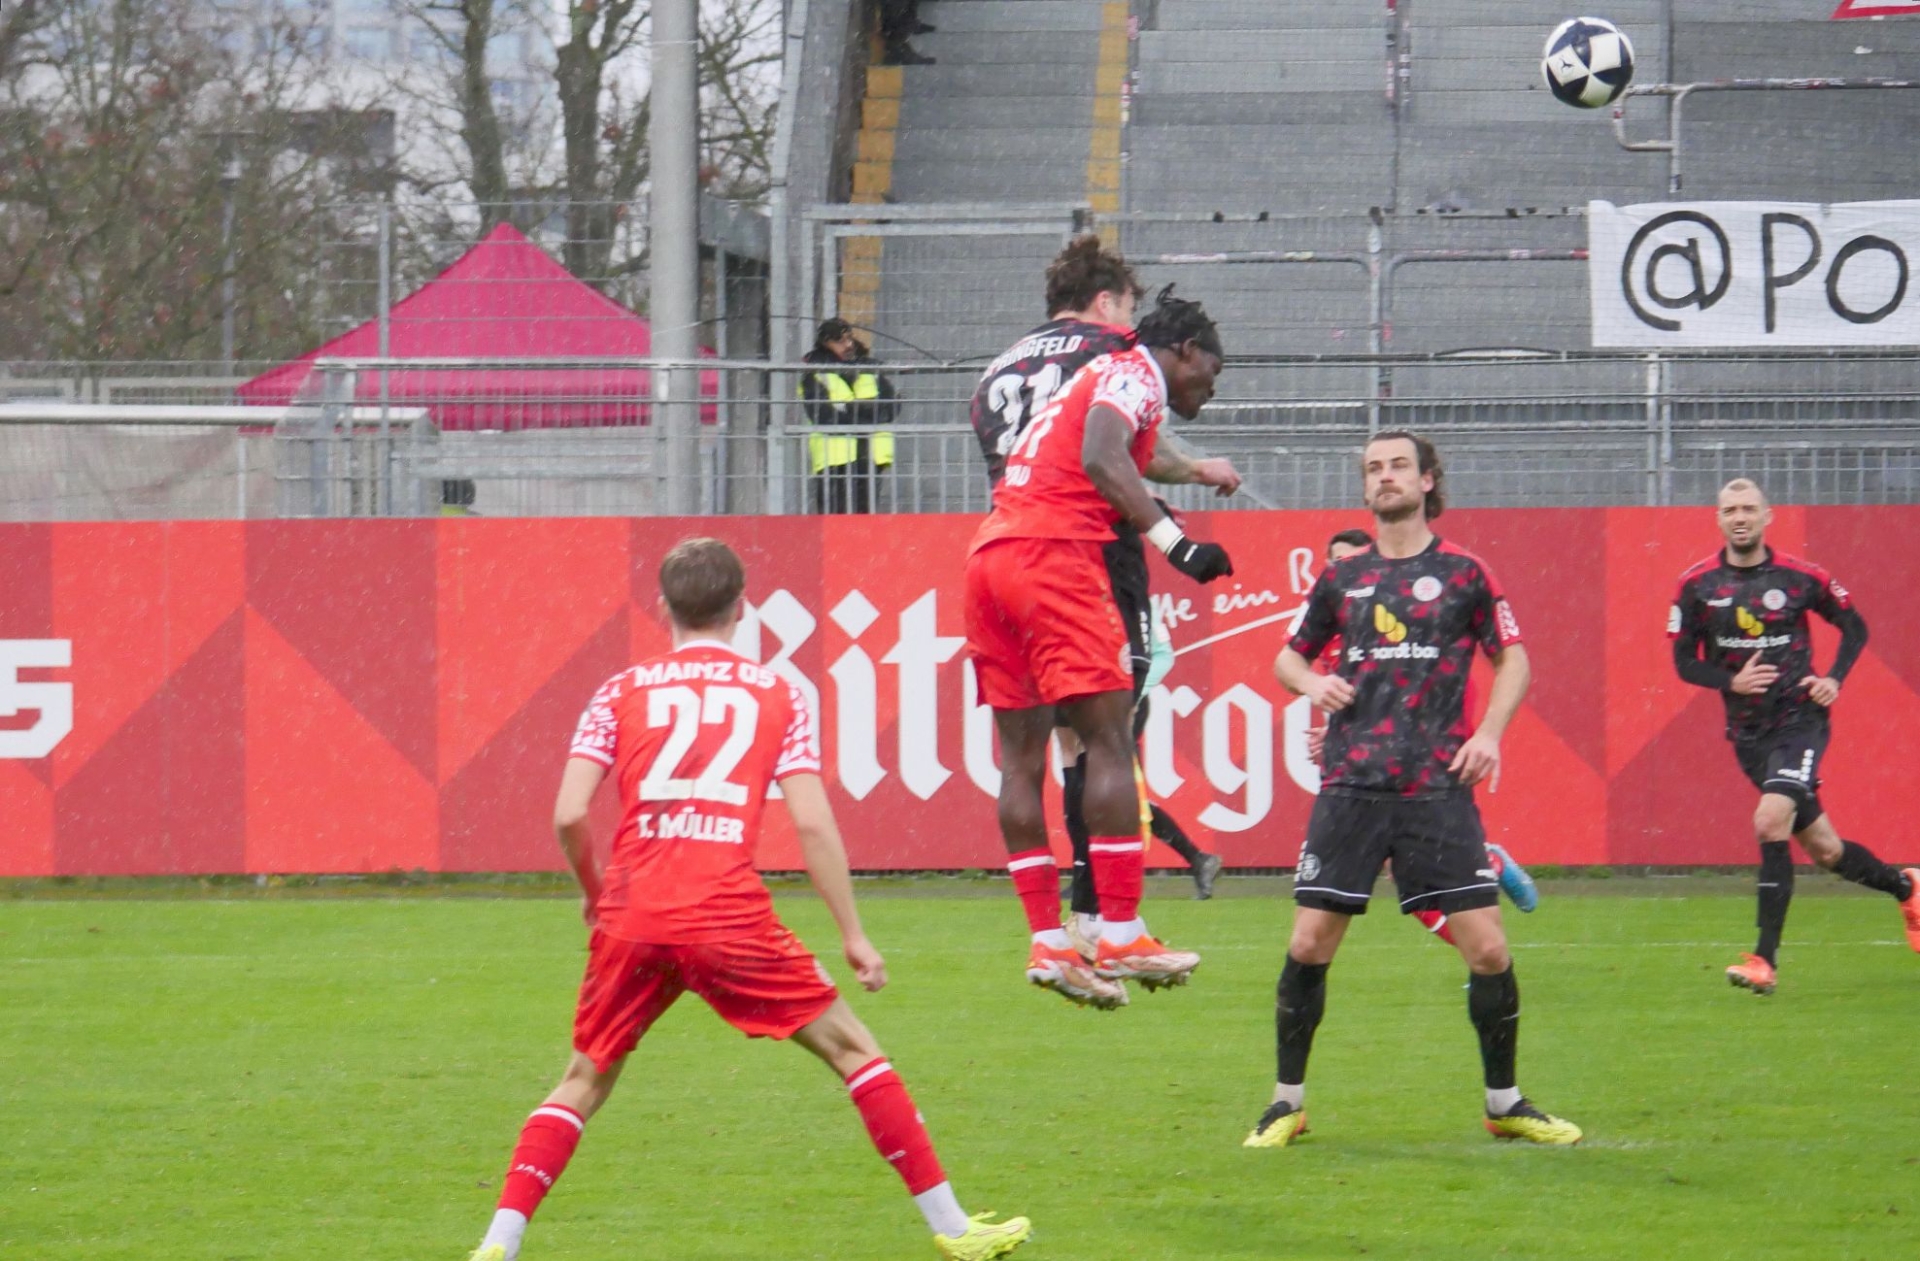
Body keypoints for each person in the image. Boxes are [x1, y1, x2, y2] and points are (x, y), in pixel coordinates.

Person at [464, 538, 1031, 1261]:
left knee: (584, 1077)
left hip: (633, 914)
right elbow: (812, 822)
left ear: (662, 607)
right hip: (725, 915)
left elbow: (570, 813)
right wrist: (853, 934)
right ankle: (953, 1227)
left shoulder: (619, 691)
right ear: (742, 606)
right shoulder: (777, 694)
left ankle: (498, 1243)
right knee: (854, 1049)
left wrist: (595, 892)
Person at [1251, 432, 1580, 1149]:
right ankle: (1285, 1104)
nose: (1385, 477)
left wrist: (1489, 733)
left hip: (1437, 786)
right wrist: (1312, 683)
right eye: (1374, 468)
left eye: (1398, 465)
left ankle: (1504, 1102)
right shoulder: (1343, 577)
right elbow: (1286, 659)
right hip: (1351, 784)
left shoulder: (1464, 572)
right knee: (1308, 943)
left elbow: (1514, 658)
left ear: (1428, 480)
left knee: (1487, 950)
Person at [964, 286, 1238, 1011]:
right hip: (1054, 555)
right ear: (1184, 351)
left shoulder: (1088, 377)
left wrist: (1187, 481)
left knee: (1021, 759)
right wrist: (1177, 544)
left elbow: (1099, 454)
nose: (1212, 386)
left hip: (991, 553)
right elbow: (1101, 455)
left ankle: (1048, 942)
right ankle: (1118, 930)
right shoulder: (1131, 368)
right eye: (1212, 370)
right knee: (1109, 741)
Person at [1669, 478, 1920, 995]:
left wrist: (1834, 680)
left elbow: (1855, 628)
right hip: (1748, 734)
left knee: (1769, 820)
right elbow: (1683, 663)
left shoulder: (1802, 577)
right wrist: (1730, 681)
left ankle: (1764, 960)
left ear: (1768, 516)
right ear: (1718, 519)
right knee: (1826, 850)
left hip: (1800, 720)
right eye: (1730, 510)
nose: (1740, 518)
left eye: (1749, 509)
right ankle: (1907, 887)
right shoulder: (1696, 585)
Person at [1305, 527, 1540, 943]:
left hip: (1428, 753)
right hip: (1366, 764)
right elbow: (1360, 695)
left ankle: (1485, 881)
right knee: (1399, 877)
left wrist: (1476, 734)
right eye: (1334, 561)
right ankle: (1485, 893)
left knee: (1407, 874)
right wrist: (1334, 734)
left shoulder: (1412, 604)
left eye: (1349, 558)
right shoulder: (1333, 626)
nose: (1343, 568)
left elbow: (1420, 683)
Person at [799, 318, 897, 514]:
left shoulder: (869, 369)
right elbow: (823, 416)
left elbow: (891, 407)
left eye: (849, 338)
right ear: (825, 343)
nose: (848, 345)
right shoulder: (815, 373)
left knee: (864, 517)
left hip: (869, 457)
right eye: (840, 341)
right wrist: (866, 414)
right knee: (834, 516)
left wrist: (849, 409)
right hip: (834, 461)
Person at [878, 0, 935, 64]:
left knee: (904, 24)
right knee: (902, 26)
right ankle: (901, 53)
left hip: (895, 20)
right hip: (893, 20)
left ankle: (902, 53)